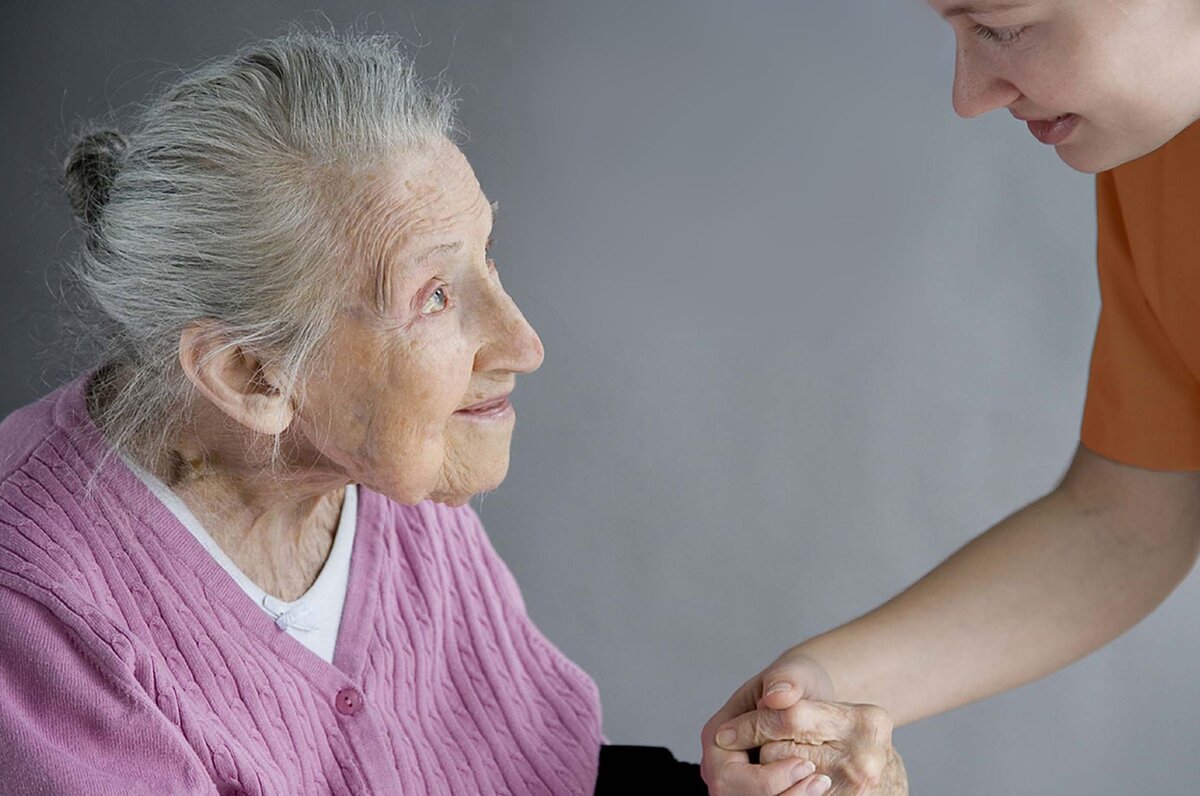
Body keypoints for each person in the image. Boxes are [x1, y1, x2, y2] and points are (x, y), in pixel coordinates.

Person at [0, 29, 900, 795]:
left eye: (489, 260)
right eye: (435, 295)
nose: (523, 342)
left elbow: (522, 772)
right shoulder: (38, 608)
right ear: (251, 373)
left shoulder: (386, 478)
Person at [703, 0, 1200, 791]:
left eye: (1003, 28)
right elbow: (1131, 518)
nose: (970, 96)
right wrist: (822, 687)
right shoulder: (1161, 150)